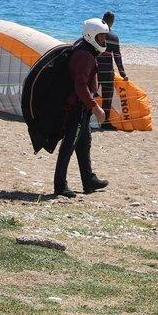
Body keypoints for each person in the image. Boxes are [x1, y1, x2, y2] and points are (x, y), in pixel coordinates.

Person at [53, 18, 111, 198]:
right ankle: (60, 185)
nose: (103, 41)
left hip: (82, 108)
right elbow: (80, 86)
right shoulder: (84, 55)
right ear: (91, 36)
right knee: (69, 146)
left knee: (84, 144)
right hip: (77, 108)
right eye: (101, 37)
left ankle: (88, 180)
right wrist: (96, 108)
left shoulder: (84, 47)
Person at [96, 11, 129, 131]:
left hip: (94, 70)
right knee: (107, 97)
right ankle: (105, 123)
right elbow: (117, 57)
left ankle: (84, 119)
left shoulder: (96, 34)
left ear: (102, 19)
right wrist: (123, 73)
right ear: (112, 22)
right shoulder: (113, 37)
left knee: (90, 95)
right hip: (107, 71)